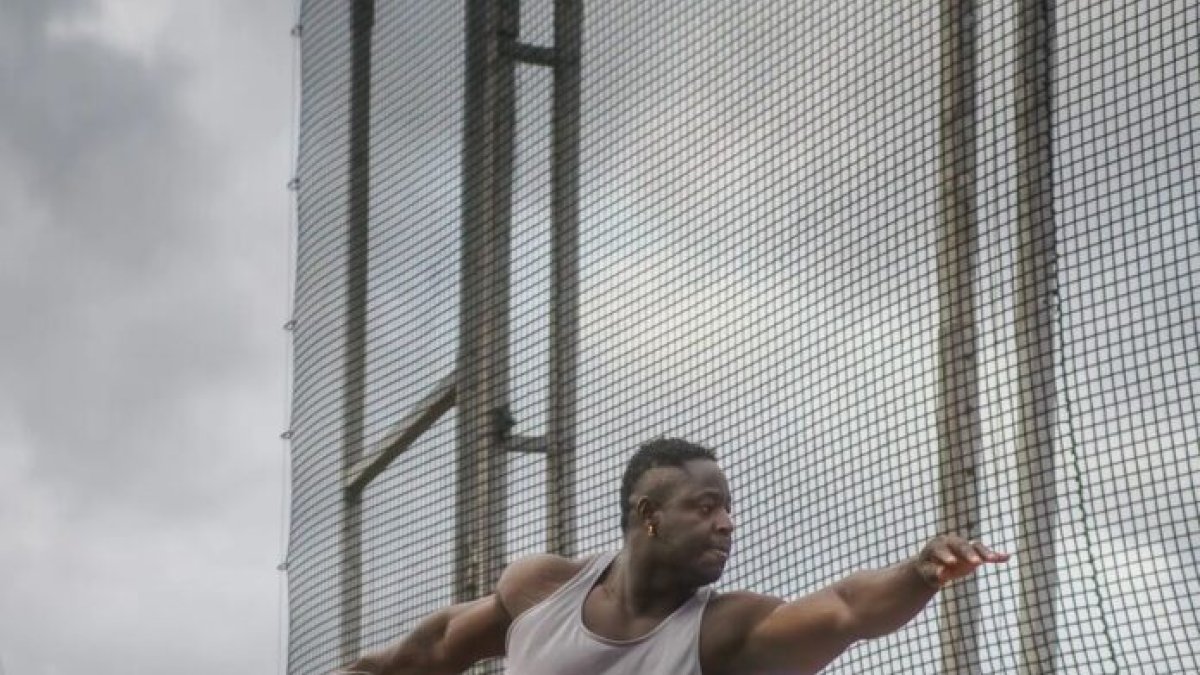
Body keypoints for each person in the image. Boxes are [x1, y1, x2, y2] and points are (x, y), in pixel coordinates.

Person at [336, 438, 1010, 675]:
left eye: (729, 506)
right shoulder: (542, 589)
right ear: (649, 517)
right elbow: (425, 655)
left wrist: (919, 571)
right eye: (706, 505)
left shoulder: (723, 632)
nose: (727, 522)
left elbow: (844, 609)